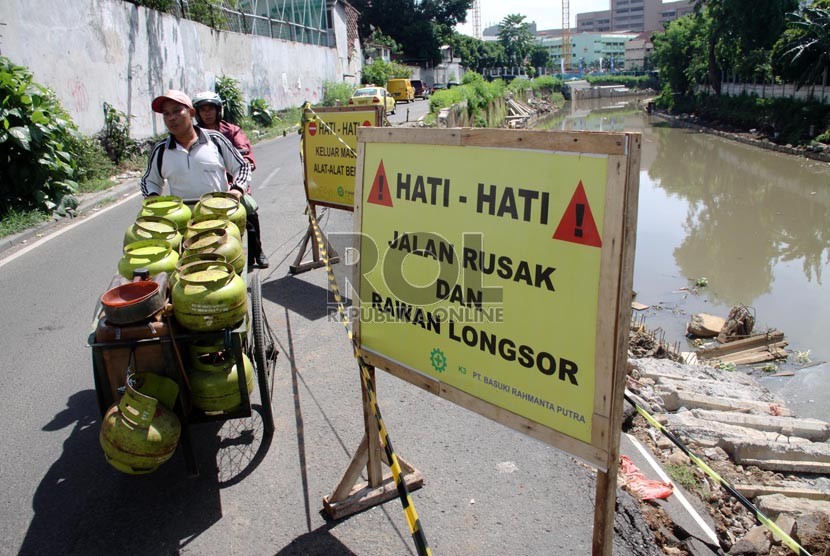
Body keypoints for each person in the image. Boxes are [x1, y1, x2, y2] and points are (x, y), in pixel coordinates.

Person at [139, 89, 268, 269]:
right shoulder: (161, 150)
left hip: (220, 219)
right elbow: (149, 180)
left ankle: (257, 253)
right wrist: (153, 198)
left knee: (222, 266)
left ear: (191, 113)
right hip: (183, 224)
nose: (171, 118)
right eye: (166, 114)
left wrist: (237, 189)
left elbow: (242, 166)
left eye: (177, 111)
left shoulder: (215, 140)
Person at [192, 91, 269, 269]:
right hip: (207, 189)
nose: (207, 113)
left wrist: (237, 183)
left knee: (249, 213)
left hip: (233, 185)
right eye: (203, 110)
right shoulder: (194, 135)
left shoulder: (232, 131)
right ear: (197, 113)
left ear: (218, 110)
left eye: (210, 108)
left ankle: (258, 252)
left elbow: (246, 155)